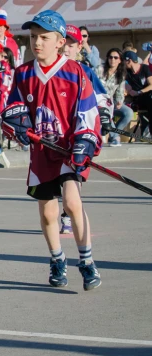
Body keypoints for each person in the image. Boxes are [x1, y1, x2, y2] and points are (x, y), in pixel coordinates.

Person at [2, 10, 102, 291]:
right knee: (47, 213)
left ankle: (87, 261)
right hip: (41, 153)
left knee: (71, 202)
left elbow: (88, 112)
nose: (37, 42)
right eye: (34, 37)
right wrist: (16, 126)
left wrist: (84, 142)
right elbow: (13, 110)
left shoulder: (75, 72)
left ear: (59, 42)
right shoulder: (23, 74)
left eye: (44, 37)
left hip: (69, 151)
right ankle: (57, 260)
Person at [60, 24, 112, 235]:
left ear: (78, 46)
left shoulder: (85, 70)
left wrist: (104, 114)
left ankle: (68, 216)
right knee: (53, 182)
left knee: (74, 173)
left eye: (71, 44)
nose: (66, 49)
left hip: (79, 132)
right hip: (54, 133)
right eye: (64, 43)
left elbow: (101, 96)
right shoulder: (49, 70)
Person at [95, 48, 132, 147]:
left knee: (128, 112)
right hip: (96, 101)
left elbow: (120, 90)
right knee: (107, 110)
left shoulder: (121, 74)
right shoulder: (99, 69)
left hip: (110, 101)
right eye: (110, 57)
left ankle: (114, 133)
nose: (113, 60)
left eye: (116, 57)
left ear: (120, 60)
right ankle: (115, 137)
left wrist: (120, 101)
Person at [124, 50, 152, 138]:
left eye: (124, 61)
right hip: (138, 100)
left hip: (147, 96)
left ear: (129, 60)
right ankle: (146, 134)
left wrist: (139, 92)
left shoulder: (144, 68)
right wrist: (128, 88)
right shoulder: (126, 72)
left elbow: (151, 84)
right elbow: (125, 83)